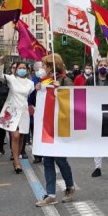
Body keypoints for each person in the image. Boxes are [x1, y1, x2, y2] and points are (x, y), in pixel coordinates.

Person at [34, 54, 76, 207]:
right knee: (47, 161)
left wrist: (61, 90)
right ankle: (51, 194)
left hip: (60, 126)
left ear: (51, 66)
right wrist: (37, 89)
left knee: (60, 160)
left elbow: (73, 99)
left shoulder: (65, 80)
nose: (41, 68)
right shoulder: (43, 82)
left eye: (44, 65)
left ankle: (70, 187)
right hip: (46, 126)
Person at [0, 61, 35, 173]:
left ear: (27, 70)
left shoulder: (30, 83)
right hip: (12, 111)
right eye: (20, 67)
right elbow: (0, 76)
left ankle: (17, 156)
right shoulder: (11, 79)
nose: (22, 69)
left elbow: (32, 93)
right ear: (16, 69)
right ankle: (16, 161)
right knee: (15, 136)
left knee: (21, 136)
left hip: (24, 111)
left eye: (24, 68)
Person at [87, 58, 108, 179]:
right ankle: (97, 167)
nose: (103, 67)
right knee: (97, 140)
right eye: (100, 65)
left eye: (105, 65)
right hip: (95, 114)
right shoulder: (91, 80)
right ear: (97, 67)